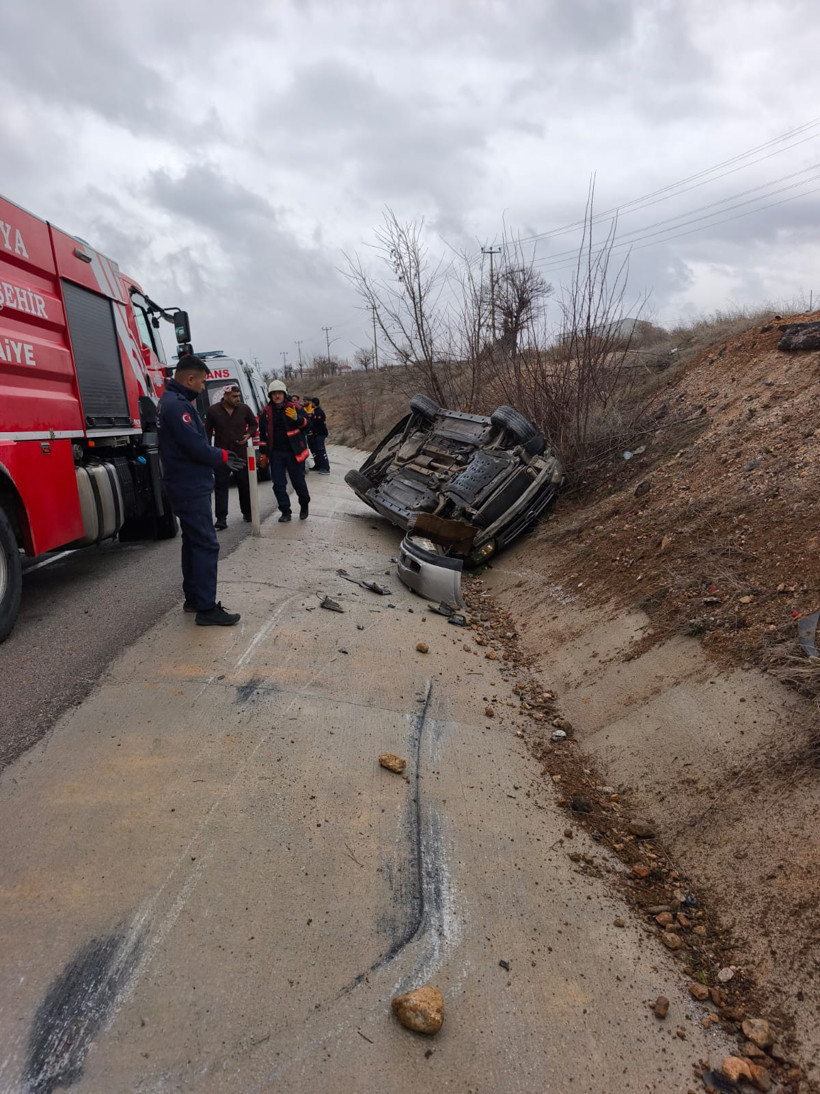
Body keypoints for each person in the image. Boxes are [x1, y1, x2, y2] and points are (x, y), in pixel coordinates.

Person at [158, 355, 242, 626]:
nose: (204, 387)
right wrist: (222, 456)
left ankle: (194, 598)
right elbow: (194, 446)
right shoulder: (176, 406)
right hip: (189, 485)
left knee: (193, 542)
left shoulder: (174, 401)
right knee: (206, 544)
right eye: (203, 382)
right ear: (190, 379)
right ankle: (206, 608)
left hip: (185, 483)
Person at [204, 384, 258, 528]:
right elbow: (207, 431)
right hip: (222, 455)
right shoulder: (213, 410)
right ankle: (221, 519)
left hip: (240, 452)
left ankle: (248, 513)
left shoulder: (244, 409)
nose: (237, 399)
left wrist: (248, 435)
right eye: (234, 396)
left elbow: (254, 424)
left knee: (244, 484)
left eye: (238, 396)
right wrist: (207, 450)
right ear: (225, 396)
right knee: (221, 486)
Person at [258, 379, 311, 522]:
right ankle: (285, 511)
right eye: (274, 393)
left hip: (294, 452)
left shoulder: (296, 408)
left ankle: (304, 504)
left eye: (279, 393)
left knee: (298, 482)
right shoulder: (265, 412)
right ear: (270, 395)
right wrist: (263, 453)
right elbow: (262, 435)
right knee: (279, 485)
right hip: (276, 453)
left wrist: (297, 419)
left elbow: (308, 426)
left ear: (284, 394)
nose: (277, 396)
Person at [305, 396, 330, 474]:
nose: (310, 404)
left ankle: (326, 468)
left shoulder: (319, 412)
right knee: (316, 450)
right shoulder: (315, 412)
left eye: (311, 403)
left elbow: (319, 425)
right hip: (316, 434)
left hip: (320, 434)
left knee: (321, 450)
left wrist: (313, 430)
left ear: (314, 403)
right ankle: (318, 465)